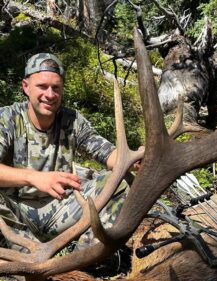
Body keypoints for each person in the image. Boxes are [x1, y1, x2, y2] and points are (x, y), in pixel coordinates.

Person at [0, 53, 135, 254]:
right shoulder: (7, 118)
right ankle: (26, 257)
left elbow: (107, 153)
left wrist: (133, 160)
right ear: (26, 87)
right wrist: (33, 178)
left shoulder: (72, 120)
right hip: (16, 215)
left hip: (62, 208)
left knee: (120, 181)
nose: (50, 94)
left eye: (56, 88)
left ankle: (81, 259)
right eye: (42, 86)